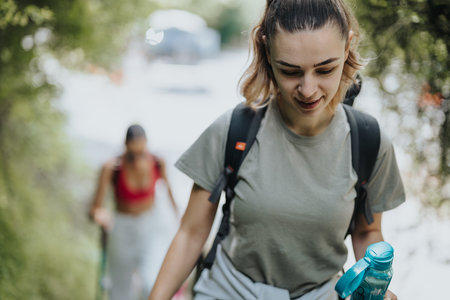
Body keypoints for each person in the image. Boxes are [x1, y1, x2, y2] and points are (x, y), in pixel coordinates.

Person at [148, 0, 405, 299]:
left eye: (325, 69)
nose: (308, 89)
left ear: (348, 46)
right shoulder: (232, 131)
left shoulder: (370, 143)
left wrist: (372, 285)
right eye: (290, 71)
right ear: (267, 52)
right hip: (229, 291)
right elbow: (191, 233)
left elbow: (366, 231)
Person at [89, 124, 178, 300]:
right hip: (122, 227)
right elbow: (95, 207)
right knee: (120, 290)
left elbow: (170, 193)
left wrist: (180, 224)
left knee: (150, 283)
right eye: (133, 154)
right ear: (126, 147)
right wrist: (102, 217)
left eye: (141, 152)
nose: (137, 158)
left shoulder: (158, 163)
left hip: (149, 226)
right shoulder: (112, 167)